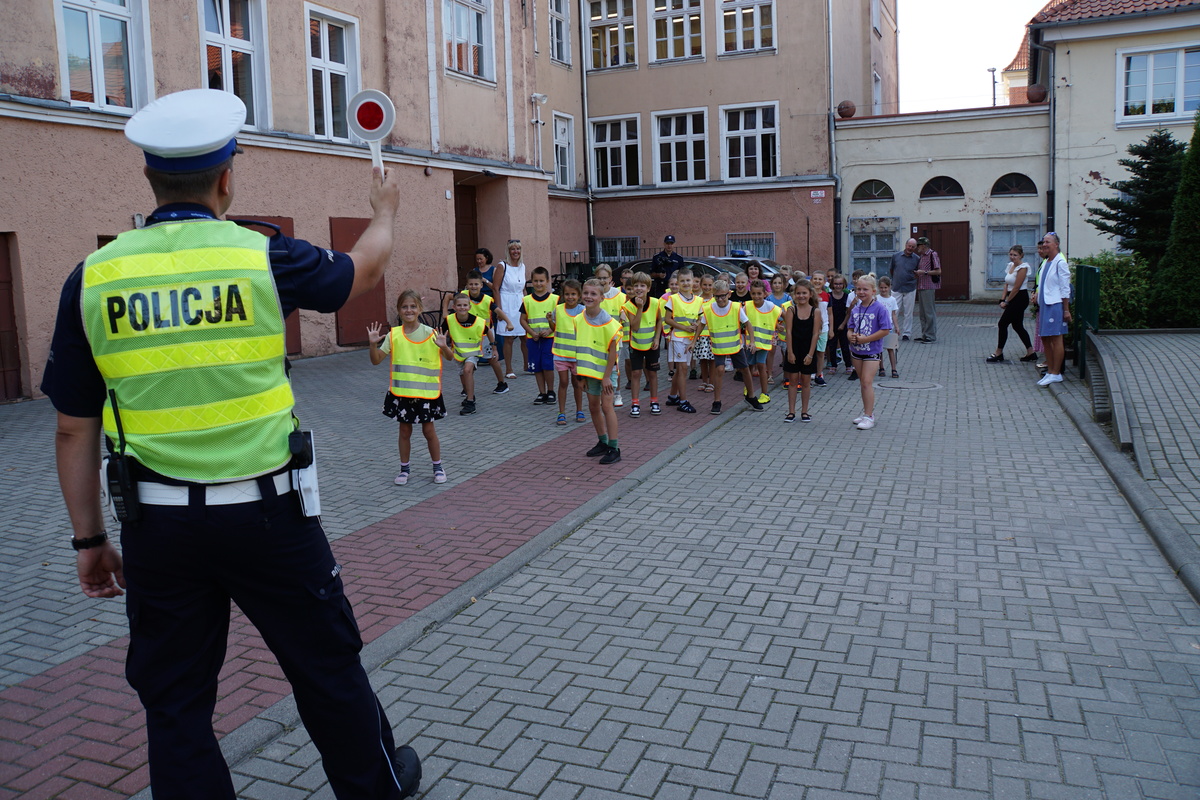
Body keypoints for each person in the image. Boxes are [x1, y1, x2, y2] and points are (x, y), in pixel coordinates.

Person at [42, 89, 422, 799]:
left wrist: (88, 541)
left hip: (158, 528)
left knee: (176, 701)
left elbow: (73, 426)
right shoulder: (261, 255)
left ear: (149, 179)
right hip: (271, 518)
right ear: (226, 179)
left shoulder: (93, 277)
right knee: (327, 670)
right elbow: (362, 272)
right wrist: (385, 210)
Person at [369, 290, 455, 484]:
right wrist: (372, 345)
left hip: (427, 394)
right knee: (404, 432)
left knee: (429, 432)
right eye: (405, 307)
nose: (409, 310)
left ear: (420, 309)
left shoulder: (431, 333)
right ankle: (404, 470)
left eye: (413, 306)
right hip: (402, 395)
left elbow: (450, 358)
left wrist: (444, 346)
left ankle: (438, 467)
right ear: (399, 310)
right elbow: (376, 361)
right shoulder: (394, 335)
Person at [576, 279, 623, 464]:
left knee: (606, 407)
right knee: (593, 407)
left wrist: (606, 377)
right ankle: (602, 441)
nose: (589, 297)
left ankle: (614, 447)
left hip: (606, 373)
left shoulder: (609, 323)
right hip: (588, 372)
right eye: (586, 293)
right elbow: (580, 347)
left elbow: (613, 353)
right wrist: (581, 375)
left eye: (593, 294)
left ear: (602, 298)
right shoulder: (579, 318)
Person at [700, 279, 760, 413]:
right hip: (719, 346)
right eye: (717, 296)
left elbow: (748, 324)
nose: (720, 299)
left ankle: (751, 396)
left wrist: (752, 341)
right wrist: (693, 341)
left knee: (745, 370)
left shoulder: (735, 307)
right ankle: (717, 401)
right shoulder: (709, 309)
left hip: (735, 345)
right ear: (713, 295)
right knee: (720, 370)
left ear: (729, 294)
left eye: (723, 295)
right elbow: (701, 324)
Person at [847, 275, 892, 430]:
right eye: (858, 289)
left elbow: (885, 330)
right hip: (856, 351)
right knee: (863, 383)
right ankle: (866, 411)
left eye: (865, 289)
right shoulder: (856, 308)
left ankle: (869, 416)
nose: (861, 292)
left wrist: (866, 339)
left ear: (873, 291)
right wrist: (850, 337)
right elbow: (850, 327)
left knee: (867, 382)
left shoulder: (880, 308)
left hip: (872, 351)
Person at [463, 268, 513, 394]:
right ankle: (466, 387)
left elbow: (498, 311)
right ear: (467, 285)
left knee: (492, 359)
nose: (473, 286)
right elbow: (448, 297)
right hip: (469, 335)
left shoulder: (486, 299)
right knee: (467, 360)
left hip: (486, 335)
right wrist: (446, 313)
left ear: (481, 284)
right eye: (471, 284)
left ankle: (502, 383)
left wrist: (509, 322)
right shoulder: (463, 296)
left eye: (476, 284)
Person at [443, 292, 494, 415]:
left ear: (469, 307)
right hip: (458, 353)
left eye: (465, 305)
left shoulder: (478, 321)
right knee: (463, 374)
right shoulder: (449, 320)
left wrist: (494, 347)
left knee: (467, 370)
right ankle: (468, 395)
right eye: (459, 305)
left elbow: (489, 332)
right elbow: (441, 333)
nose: (462, 308)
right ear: (454, 307)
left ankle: (471, 402)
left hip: (473, 352)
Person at [1032, 232, 1071, 385]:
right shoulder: (1047, 261)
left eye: (1048, 242)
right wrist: (1036, 294)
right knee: (1045, 338)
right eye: (1044, 242)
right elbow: (1043, 284)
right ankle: (1050, 371)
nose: (1045, 244)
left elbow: (1064, 287)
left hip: (1055, 305)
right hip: (1044, 305)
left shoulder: (1060, 262)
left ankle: (1056, 372)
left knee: (1056, 337)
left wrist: (1066, 309)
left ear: (1056, 244)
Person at [987, 244, 1037, 363]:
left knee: (1002, 323)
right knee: (1017, 325)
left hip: (1020, 297)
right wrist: (1002, 299)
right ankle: (1031, 352)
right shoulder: (1010, 266)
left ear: (1021, 255)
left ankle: (999, 353)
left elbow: (1017, 287)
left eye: (1015, 255)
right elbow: (1007, 284)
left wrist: (1007, 302)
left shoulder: (1023, 267)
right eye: (1011, 254)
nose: (1012, 257)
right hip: (1011, 296)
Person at [782, 279, 821, 422]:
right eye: (798, 293)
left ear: (810, 294)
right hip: (794, 348)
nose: (801, 296)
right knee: (792, 381)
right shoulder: (791, 310)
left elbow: (815, 334)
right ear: (794, 295)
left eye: (804, 293)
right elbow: (789, 332)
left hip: (808, 349)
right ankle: (791, 411)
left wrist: (810, 354)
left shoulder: (815, 311)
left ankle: (805, 411)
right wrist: (790, 352)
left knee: (805, 381)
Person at [624, 271, 663, 417]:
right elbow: (635, 327)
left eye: (642, 286)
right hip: (636, 344)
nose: (639, 288)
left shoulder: (655, 302)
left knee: (652, 374)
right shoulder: (629, 305)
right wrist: (639, 308)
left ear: (648, 287)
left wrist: (657, 338)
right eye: (636, 286)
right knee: (636, 373)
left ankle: (654, 401)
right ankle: (635, 403)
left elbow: (659, 320)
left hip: (652, 344)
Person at [663, 267, 702, 413]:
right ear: (678, 283)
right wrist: (684, 328)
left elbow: (700, 319)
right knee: (682, 369)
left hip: (689, 339)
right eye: (682, 281)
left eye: (688, 280)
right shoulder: (673, 299)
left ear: (693, 282)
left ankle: (673, 396)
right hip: (678, 338)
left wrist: (696, 325)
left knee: (681, 370)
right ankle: (683, 401)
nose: (686, 283)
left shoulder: (698, 300)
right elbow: (667, 319)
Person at [520, 266, 558, 405]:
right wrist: (532, 333)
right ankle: (541, 392)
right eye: (535, 281)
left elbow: (560, 319)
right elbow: (522, 320)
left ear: (547, 281)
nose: (538, 284)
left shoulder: (555, 299)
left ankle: (551, 391)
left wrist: (549, 331)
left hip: (549, 339)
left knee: (547, 365)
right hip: (533, 339)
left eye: (541, 281)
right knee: (536, 366)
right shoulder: (527, 300)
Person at [552, 279, 586, 425]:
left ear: (579, 296)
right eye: (567, 294)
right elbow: (555, 328)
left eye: (573, 294)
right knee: (563, 382)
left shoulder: (583, 311)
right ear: (563, 295)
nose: (570, 297)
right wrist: (549, 321)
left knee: (577, 384)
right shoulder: (558, 309)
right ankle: (561, 412)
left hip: (577, 356)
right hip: (560, 353)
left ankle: (579, 410)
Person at [493, 239, 528, 378]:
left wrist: (527, 306)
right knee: (509, 338)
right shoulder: (502, 266)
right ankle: (509, 369)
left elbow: (523, 288)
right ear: (508, 251)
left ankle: (527, 365)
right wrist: (499, 309)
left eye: (518, 249)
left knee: (525, 336)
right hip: (506, 301)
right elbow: (495, 288)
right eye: (513, 249)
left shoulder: (522, 266)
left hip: (519, 301)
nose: (516, 252)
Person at [594, 263, 627, 407]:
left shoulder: (620, 296)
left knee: (615, 368)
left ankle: (617, 394)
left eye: (605, 278)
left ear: (610, 278)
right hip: (597, 338)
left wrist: (624, 315)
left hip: (615, 339)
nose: (602, 281)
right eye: (599, 278)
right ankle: (603, 393)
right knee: (600, 367)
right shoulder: (594, 294)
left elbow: (625, 317)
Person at [745, 281, 781, 405]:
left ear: (764, 293)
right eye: (754, 293)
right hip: (751, 343)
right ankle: (749, 389)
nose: (756, 296)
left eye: (759, 293)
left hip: (764, 342)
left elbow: (784, 315)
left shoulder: (770, 306)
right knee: (749, 366)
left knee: (761, 366)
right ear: (750, 293)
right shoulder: (747, 306)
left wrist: (779, 325)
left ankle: (765, 393)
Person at [888, 238, 920, 341]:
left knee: (908, 313)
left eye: (912, 247)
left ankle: (907, 333)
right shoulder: (896, 256)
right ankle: (891, 332)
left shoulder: (917, 259)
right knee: (893, 311)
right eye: (909, 245)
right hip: (896, 288)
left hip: (910, 288)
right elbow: (892, 270)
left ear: (915, 248)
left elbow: (917, 273)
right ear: (905, 245)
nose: (910, 248)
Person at [913, 237, 941, 342]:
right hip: (921, 285)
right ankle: (925, 334)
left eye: (919, 245)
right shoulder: (922, 256)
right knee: (923, 313)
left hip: (929, 286)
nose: (917, 248)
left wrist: (924, 272)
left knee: (929, 312)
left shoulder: (932, 254)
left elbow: (938, 271)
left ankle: (931, 335)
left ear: (924, 246)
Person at [877, 276, 901, 378]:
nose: (883, 290)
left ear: (889, 287)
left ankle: (893, 368)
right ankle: (881, 368)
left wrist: (897, 326)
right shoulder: (876, 298)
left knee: (890, 348)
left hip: (889, 327)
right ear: (878, 287)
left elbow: (893, 314)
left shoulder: (892, 299)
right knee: (879, 349)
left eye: (885, 287)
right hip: (878, 327)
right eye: (881, 287)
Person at [810, 270, 831, 386]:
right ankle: (809, 373)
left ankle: (819, 374)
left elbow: (830, 313)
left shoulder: (827, 296)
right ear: (811, 280)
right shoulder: (808, 294)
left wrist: (831, 328)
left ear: (824, 282)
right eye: (815, 279)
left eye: (820, 279)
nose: (817, 281)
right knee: (810, 351)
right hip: (810, 328)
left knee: (821, 352)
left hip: (824, 328)